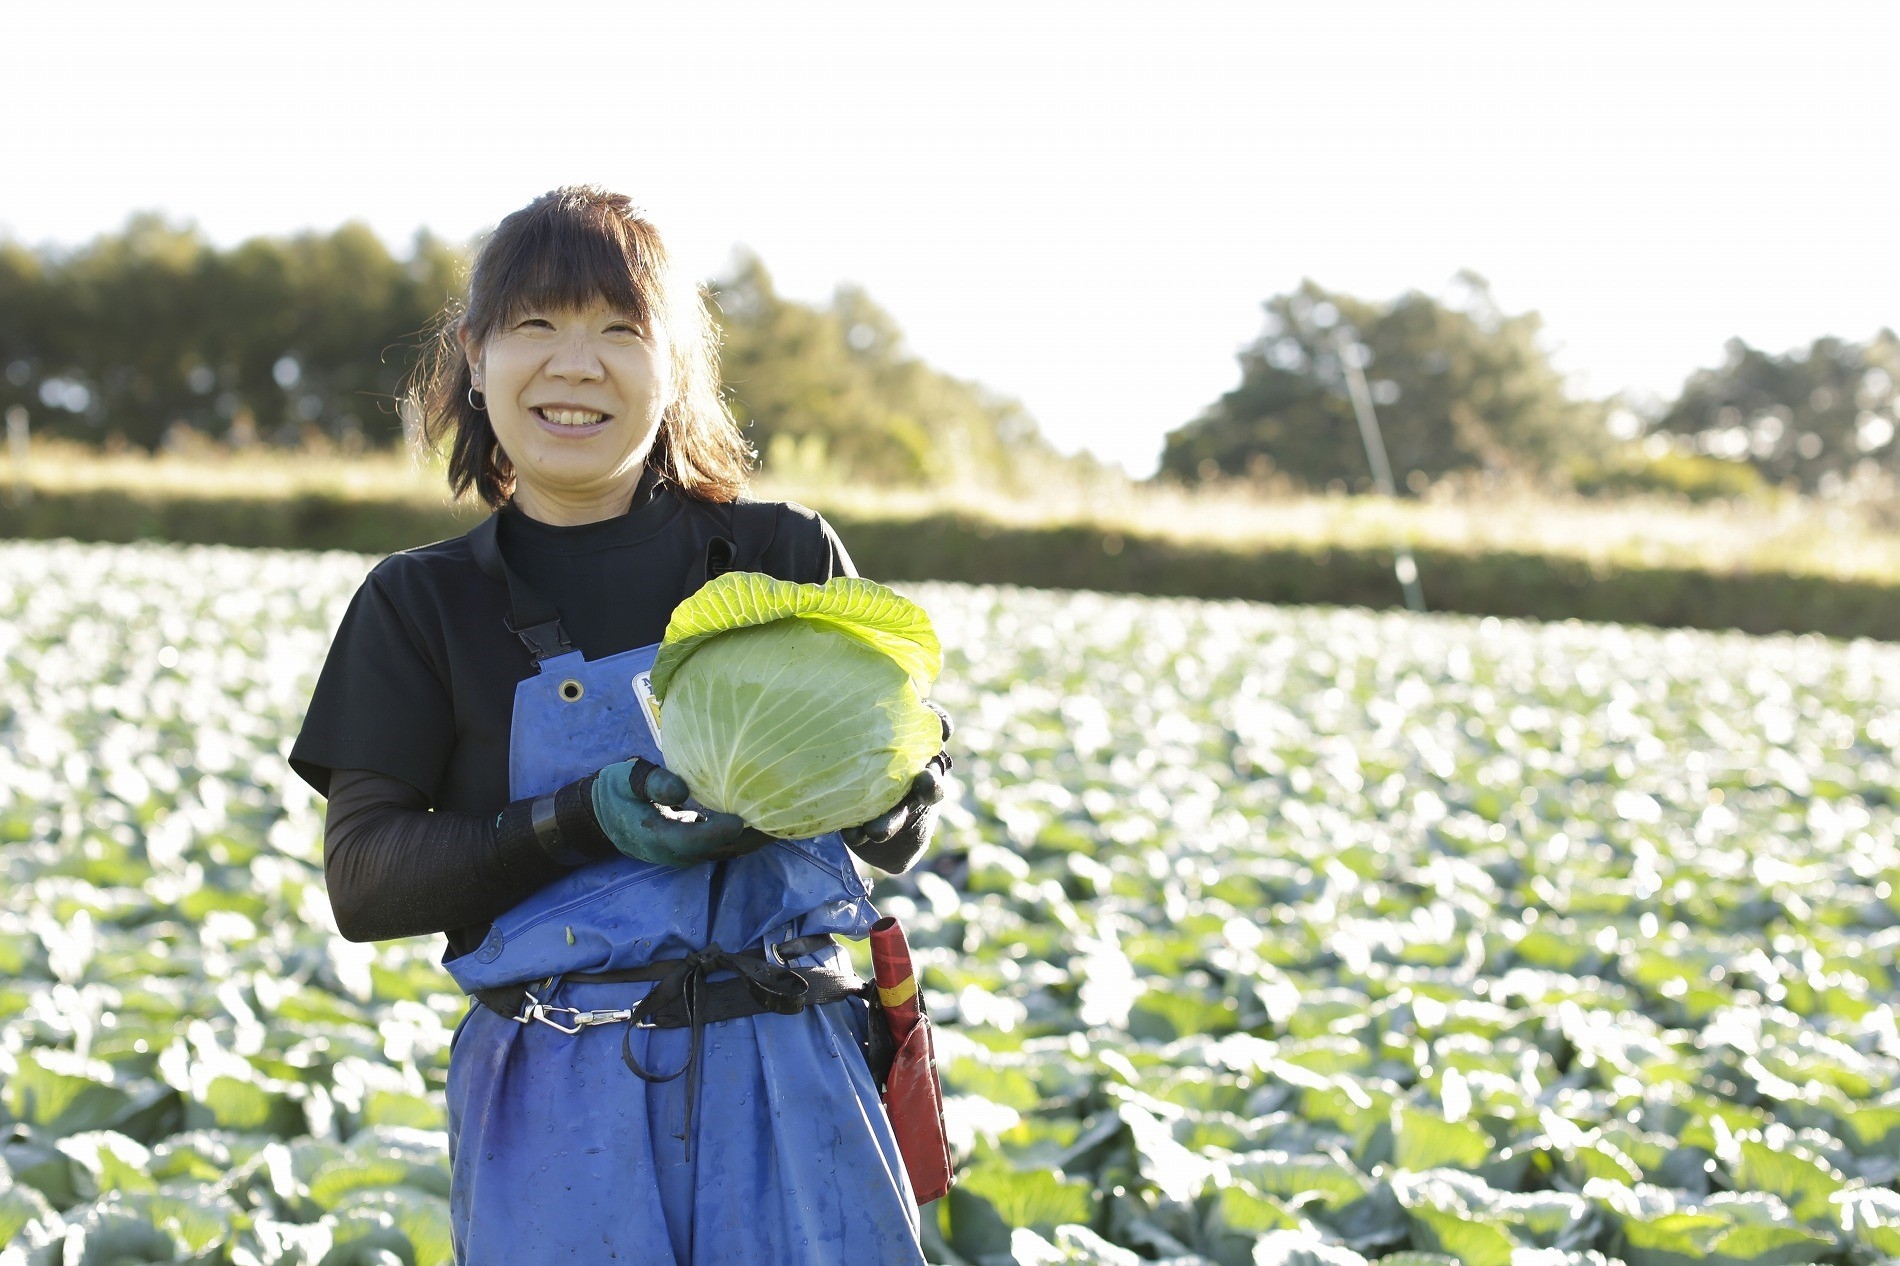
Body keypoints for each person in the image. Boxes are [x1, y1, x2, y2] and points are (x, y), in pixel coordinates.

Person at [289, 186, 949, 1265]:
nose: (575, 363)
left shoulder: (780, 556)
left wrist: (884, 777)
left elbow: (903, 829)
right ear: (475, 353)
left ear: (675, 362)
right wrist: (578, 820)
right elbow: (366, 883)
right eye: (536, 326)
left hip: (795, 1067)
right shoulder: (422, 605)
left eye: (619, 329)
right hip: (559, 1092)